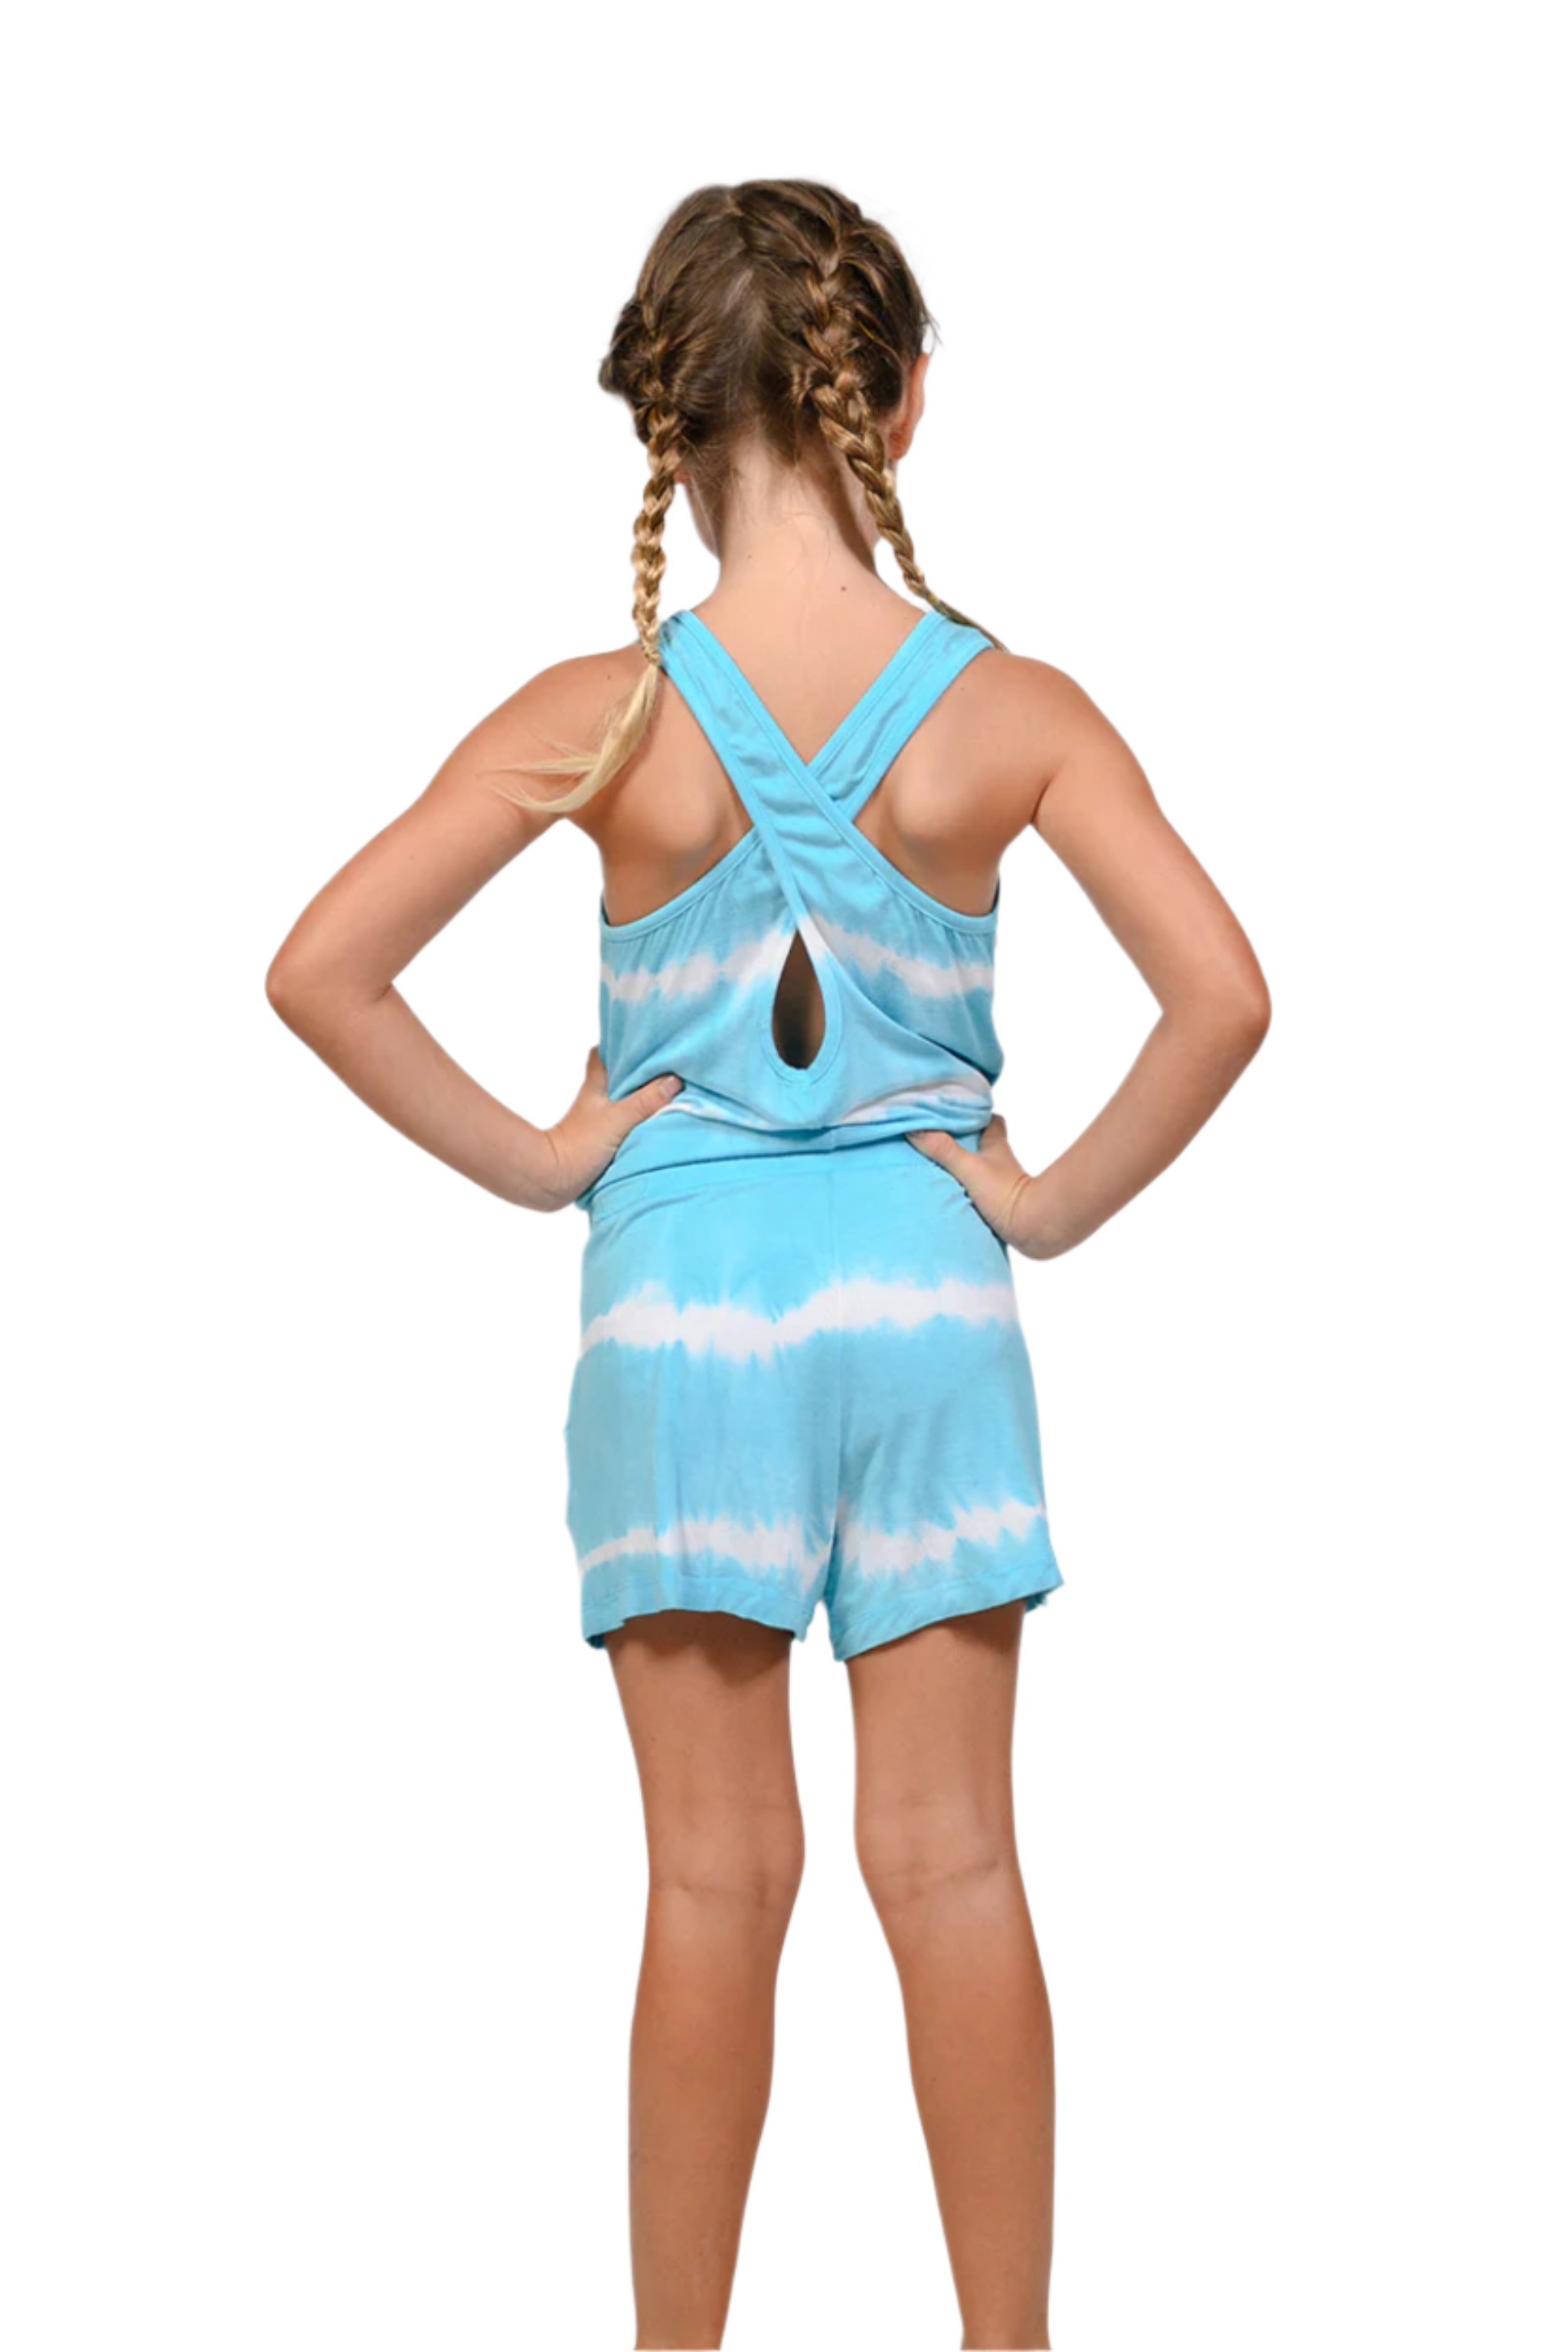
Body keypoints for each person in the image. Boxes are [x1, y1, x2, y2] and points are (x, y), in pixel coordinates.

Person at [266, 178, 1270, 2352]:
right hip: (931, 1306)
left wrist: (549, 1157)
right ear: (899, 404)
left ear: (665, 424)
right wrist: (1043, 1203)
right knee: (957, 1863)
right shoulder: (1012, 711)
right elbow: (1224, 996)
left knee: (716, 1882)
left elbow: (320, 967)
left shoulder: (603, 713)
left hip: (682, 1319)